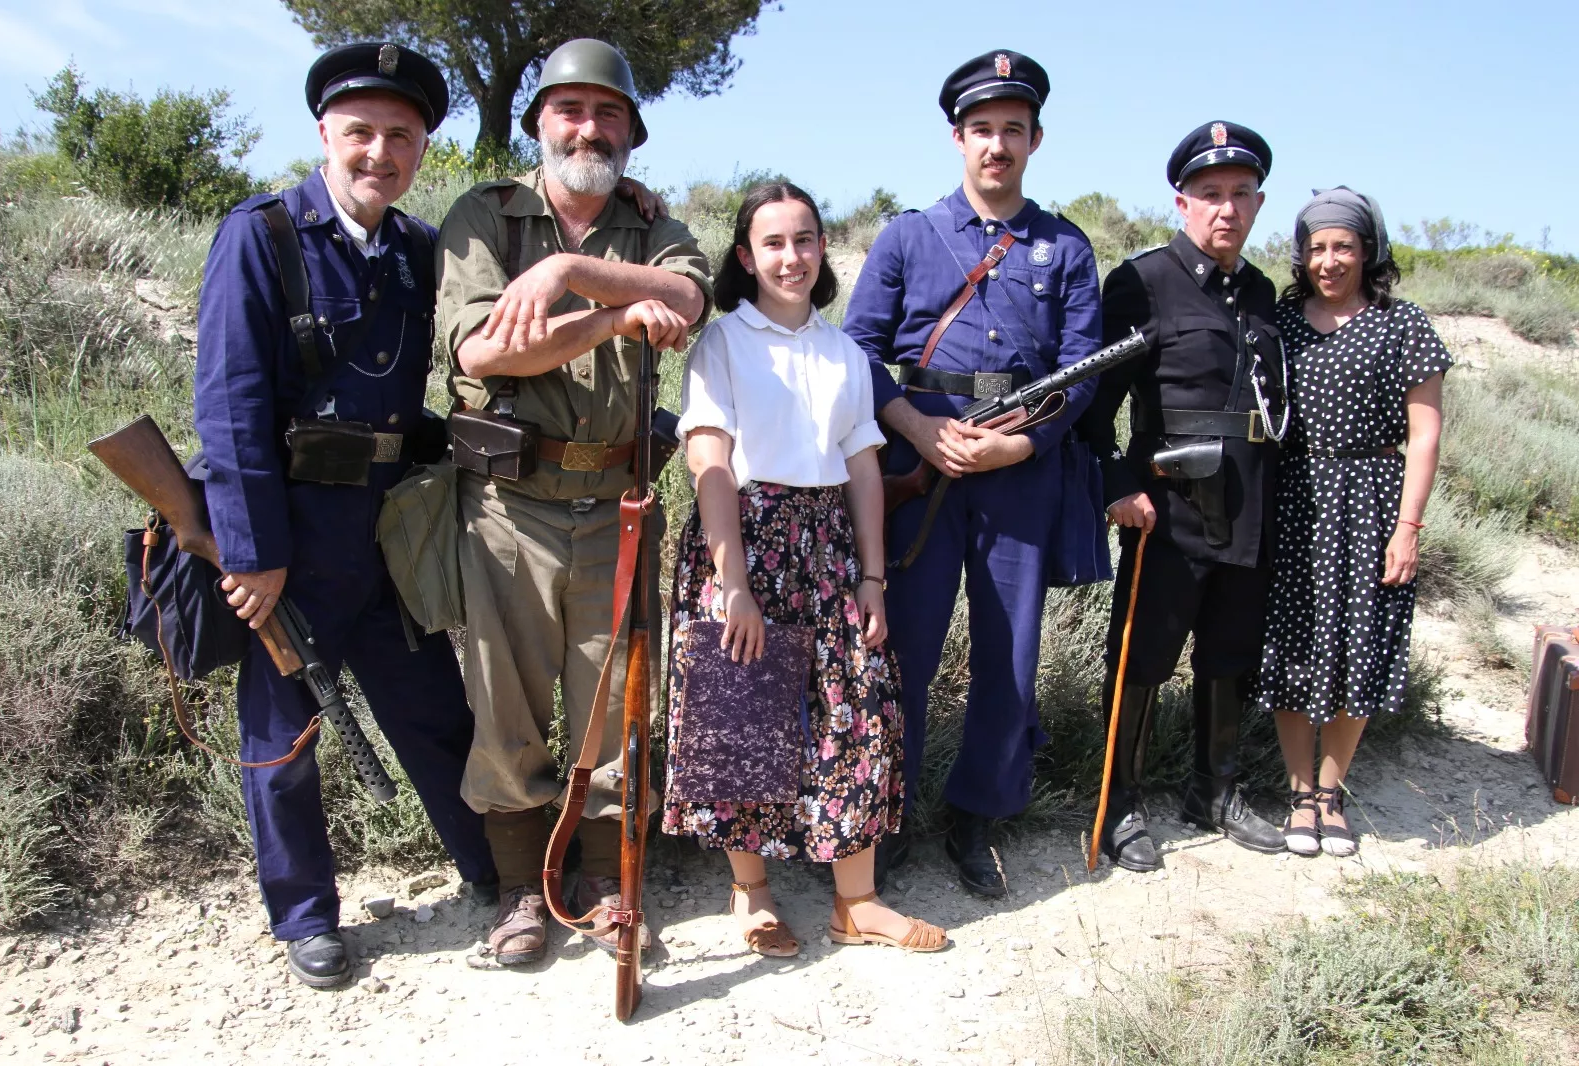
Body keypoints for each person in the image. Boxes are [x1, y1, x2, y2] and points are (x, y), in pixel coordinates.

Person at [192, 41, 498, 988]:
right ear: (324, 133)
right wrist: (252, 555)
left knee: (436, 715)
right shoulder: (263, 235)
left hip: (390, 535)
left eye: (399, 136)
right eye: (359, 132)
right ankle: (304, 917)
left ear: (421, 149)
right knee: (282, 739)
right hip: (291, 536)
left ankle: (496, 872)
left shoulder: (416, 254)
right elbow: (231, 403)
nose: (379, 152)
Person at [434, 38, 712, 966]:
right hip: (509, 507)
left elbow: (688, 293)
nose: (588, 127)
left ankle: (604, 879)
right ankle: (521, 891)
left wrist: (567, 275)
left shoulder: (649, 222)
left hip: (621, 502)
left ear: (631, 131)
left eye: (608, 113)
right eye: (570, 110)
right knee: (505, 707)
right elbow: (481, 354)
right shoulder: (484, 216)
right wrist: (612, 314)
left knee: (618, 707)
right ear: (540, 123)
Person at [844, 50, 1104, 897]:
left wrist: (1017, 447)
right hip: (918, 470)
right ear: (958, 137)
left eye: (1014, 130)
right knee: (905, 653)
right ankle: (884, 816)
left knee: (1011, 657)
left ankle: (977, 818)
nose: (998, 144)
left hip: (1018, 476)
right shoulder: (907, 236)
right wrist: (918, 427)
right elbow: (858, 353)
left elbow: (1083, 371)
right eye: (983, 129)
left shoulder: (1064, 248)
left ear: (1036, 140)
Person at [661, 182, 946, 955]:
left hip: (828, 551)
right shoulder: (722, 342)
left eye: (806, 240)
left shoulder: (844, 351)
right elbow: (709, 458)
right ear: (747, 257)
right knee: (741, 714)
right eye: (774, 243)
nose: (792, 257)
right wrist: (733, 585)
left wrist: (873, 579)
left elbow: (862, 471)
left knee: (854, 714)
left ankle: (856, 904)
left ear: (823, 251)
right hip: (745, 539)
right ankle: (749, 893)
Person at [1077, 121, 1290, 872]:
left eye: (1239, 195)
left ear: (1258, 203)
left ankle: (1216, 790)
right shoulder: (1143, 281)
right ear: (1181, 202)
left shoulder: (1262, 292)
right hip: (1167, 506)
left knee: (1229, 654)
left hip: (1250, 502)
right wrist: (1118, 489)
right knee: (1141, 656)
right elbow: (1097, 408)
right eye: (1209, 195)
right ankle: (1122, 803)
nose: (1225, 209)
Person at [1259, 188, 1450, 858]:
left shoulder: (1404, 325)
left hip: (1371, 498)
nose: (1329, 259)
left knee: (1360, 645)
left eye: (1343, 246)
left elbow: (1424, 437)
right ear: (1301, 255)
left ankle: (1333, 793)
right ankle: (1298, 792)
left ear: (1368, 250)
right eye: (1316, 247)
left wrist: (1409, 527)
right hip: (1294, 496)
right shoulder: (1280, 320)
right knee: (1293, 643)